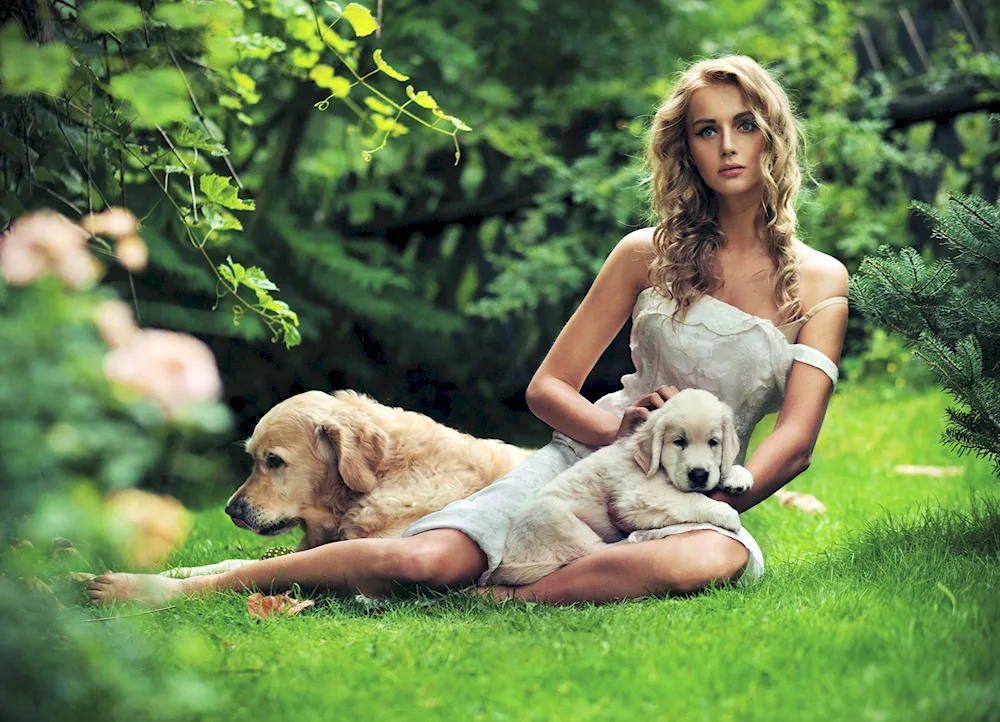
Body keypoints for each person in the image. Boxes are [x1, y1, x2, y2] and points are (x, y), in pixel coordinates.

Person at [88, 55, 848, 606]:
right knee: (427, 561)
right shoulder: (641, 255)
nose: (726, 145)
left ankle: (512, 598)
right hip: (589, 464)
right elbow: (548, 388)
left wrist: (701, 500)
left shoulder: (820, 282)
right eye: (705, 130)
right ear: (684, 149)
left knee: (707, 559)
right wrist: (615, 441)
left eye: (743, 125)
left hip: (702, 499)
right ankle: (190, 583)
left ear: (771, 135)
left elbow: (795, 442)